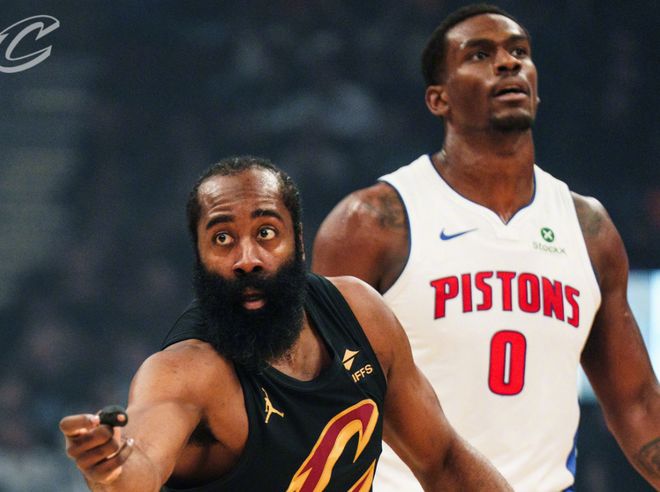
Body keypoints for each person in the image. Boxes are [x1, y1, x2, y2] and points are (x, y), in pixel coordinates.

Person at [312, 4, 660, 492]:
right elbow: (318, 406)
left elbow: (636, 402)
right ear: (439, 99)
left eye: (519, 52)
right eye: (479, 54)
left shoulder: (588, 229)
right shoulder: (371, 224)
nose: (508, 63)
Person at [60, 156, 511, 491]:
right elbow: (139, 468)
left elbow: (443, 461)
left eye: (266, 233)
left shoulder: (362, 316)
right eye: (222, 238)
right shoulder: (187, 371)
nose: (247, 258)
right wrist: (112, 468)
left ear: (298, 241)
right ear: (198, 257)